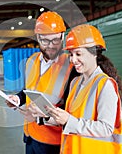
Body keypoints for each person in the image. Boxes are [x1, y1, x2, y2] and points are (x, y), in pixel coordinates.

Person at [45, 24, 122, 154]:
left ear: (94, 53)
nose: (73, 60)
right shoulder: (75, 83)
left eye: (78, 54)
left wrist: (68, 120)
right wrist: (46, 116)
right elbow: (71, 119)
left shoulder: (105, 85)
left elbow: (105, 128)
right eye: (71, 54)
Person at [6, 11, 78, 154]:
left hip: (52, 143)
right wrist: (18, 99)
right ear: (37, 38)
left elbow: (74, 111)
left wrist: (42, 115)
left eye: (55, 40)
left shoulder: (71, 67)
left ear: (63, 36)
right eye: (45, 40)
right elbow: (28, 89)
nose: (50, 46)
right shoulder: (32, 60)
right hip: (30, 136)